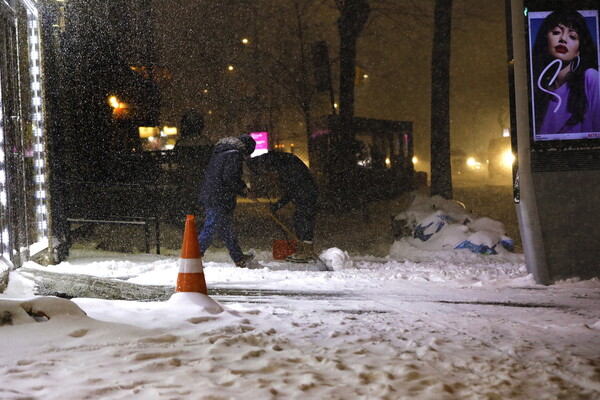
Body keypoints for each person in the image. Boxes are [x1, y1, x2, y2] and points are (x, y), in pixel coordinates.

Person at [532, 9, 600, 134]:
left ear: (578, 51)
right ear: (545, 39)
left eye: (572, 36)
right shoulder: (537, 92)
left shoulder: (591, 78)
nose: (563, 39)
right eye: (556, 32)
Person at [247, 151, 318, 263]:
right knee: (299, 219)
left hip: (306, 194)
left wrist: (277, 205)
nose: (269, 173)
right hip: (305, 193)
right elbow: (291, 189)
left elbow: (291, 190)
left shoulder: (286, 167)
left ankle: (307, 251)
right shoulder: (282, 161)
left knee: (304, 220)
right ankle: (303, 250)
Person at [197, 134, 256, 268]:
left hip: (214, 194)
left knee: (226, 228)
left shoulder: (221, 152)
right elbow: (230, 177)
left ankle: (238, 258)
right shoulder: (234, 154)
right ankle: (193, 256)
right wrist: (244, 190)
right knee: (211, 226)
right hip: (219, 197)